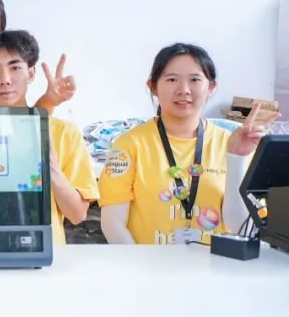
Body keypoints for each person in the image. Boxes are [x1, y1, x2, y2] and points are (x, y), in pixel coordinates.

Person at [98, 43, 265, 245]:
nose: (184, 90)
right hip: (150, 263)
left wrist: (236, 157)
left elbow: (241, 227)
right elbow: (113, 226)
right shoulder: (128, 146)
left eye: (195, 80)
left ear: (211, 87)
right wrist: (139, 265)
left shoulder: (232, 144)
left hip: (216, 263)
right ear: (153, 87)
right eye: (171, 79)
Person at [0, 30, 99, 246]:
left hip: (43, 254)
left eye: (15, 68)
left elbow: (77, 214)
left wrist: (51, 168)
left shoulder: (63, 132)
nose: (5, 80)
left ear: (30, 74)